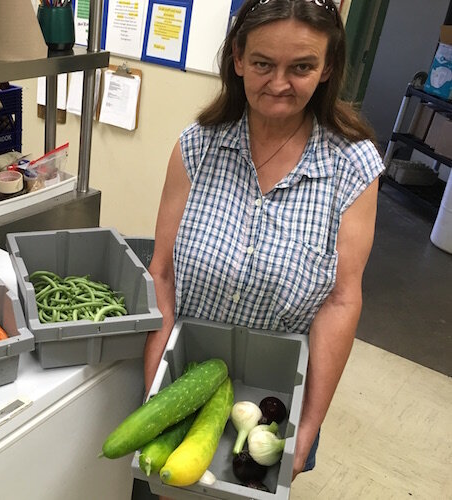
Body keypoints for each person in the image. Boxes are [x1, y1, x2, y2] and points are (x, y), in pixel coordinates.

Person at [144, 0, 384, 478]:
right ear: (237, 58)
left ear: (328, 67)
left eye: (301, 67)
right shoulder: (198, 146)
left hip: (274, 398)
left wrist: (309, 427)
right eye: (262, 64)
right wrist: (153, 396)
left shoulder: (352, 166)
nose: (279, 84)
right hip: (185, 379)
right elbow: (163, 274)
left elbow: (340, 300)